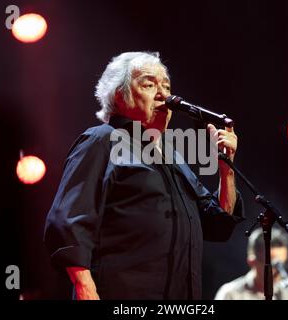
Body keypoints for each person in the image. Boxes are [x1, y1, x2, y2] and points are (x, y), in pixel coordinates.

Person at [44, 51, 244, 300]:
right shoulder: (101, 140)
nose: (165, 95)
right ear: (119, 95)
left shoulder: (172, 158)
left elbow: (218, 224)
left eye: (167, 86)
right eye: (149, 84)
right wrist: (86, 289)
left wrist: (226, 169)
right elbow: (68, 220)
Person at [214, 228, 288, 300]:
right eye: (274, 265)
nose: (280, 271)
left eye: (282, 264)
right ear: (252, 262)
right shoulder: (230, 294)